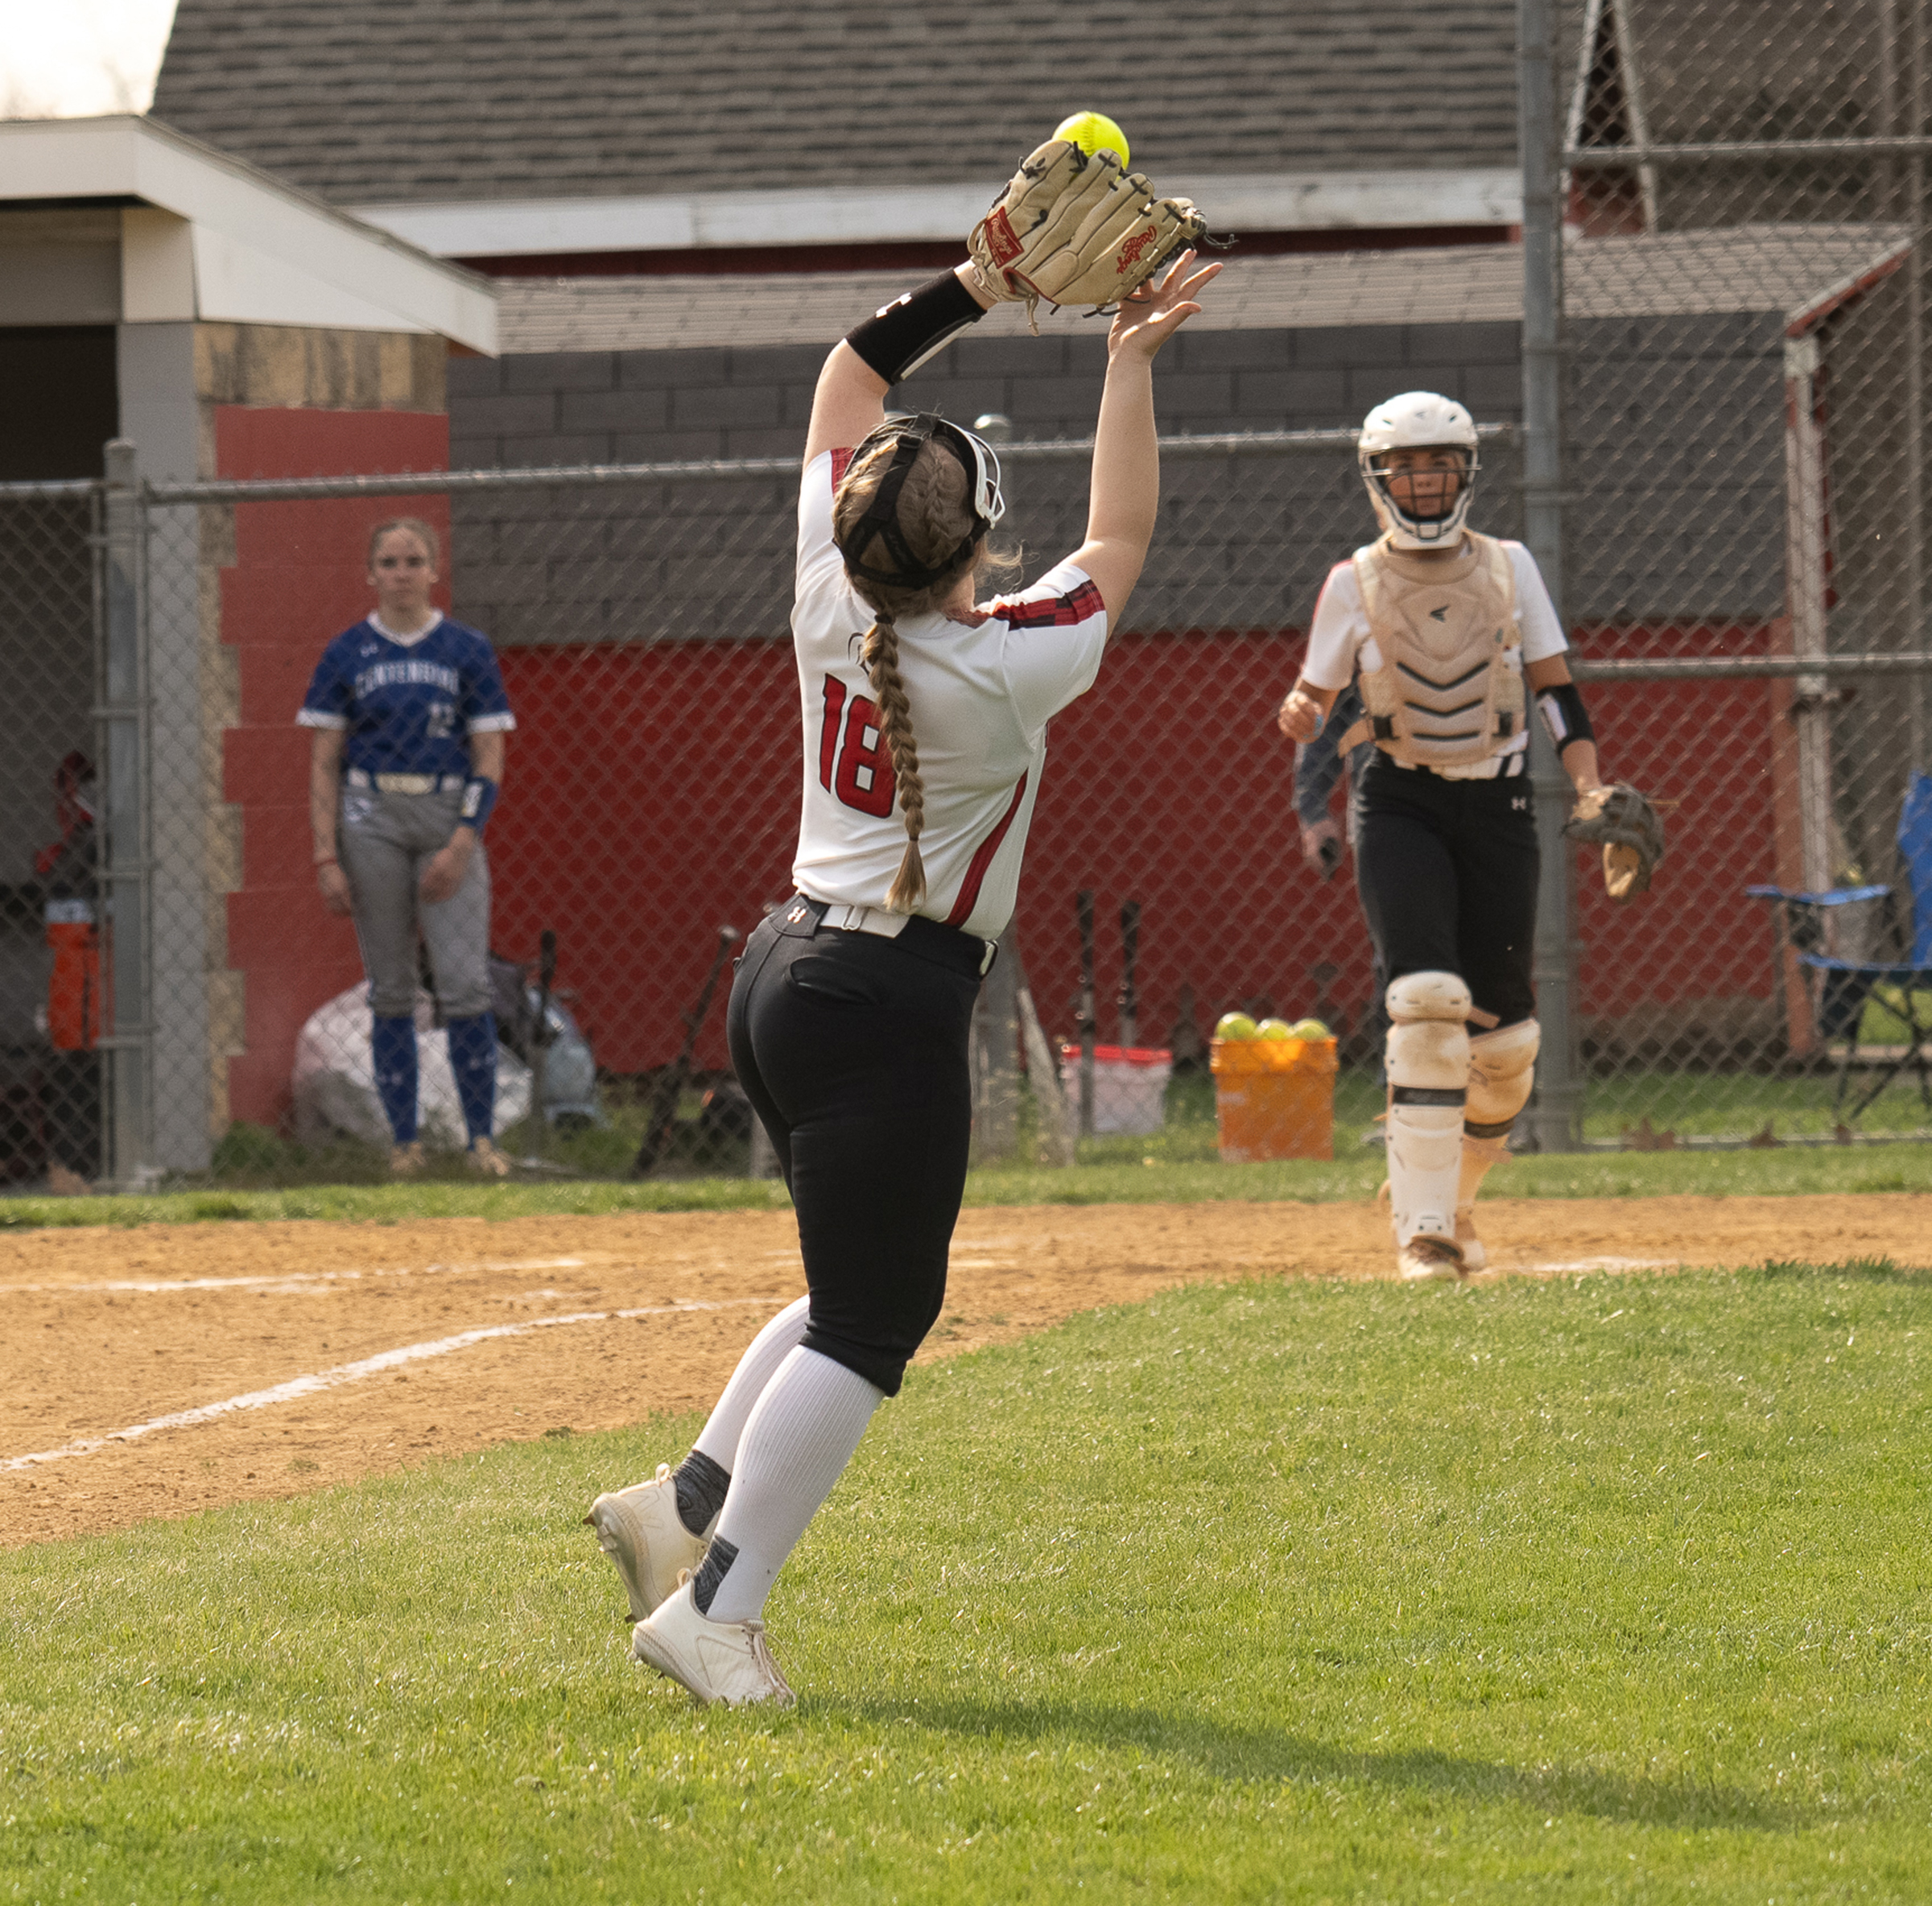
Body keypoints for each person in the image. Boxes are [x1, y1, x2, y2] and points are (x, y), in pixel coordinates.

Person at [589, 237, 1218, 1706]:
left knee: (843, 1286)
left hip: (785, 966)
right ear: (972, 547)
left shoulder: (830, 585)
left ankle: (677, 1508)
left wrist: (981, 277)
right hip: (881, 997)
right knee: (872, 1323)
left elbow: (848, 372)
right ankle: (715, 1611)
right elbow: (1120, 534)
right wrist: (1128, 355)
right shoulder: (1003, 661)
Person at [1276, 393, 1612, 1281]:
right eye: (1406, 468)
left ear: (1467, 473)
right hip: (1399, 801)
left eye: (1441, 466)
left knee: (1504, 1052)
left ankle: (1450, 1199)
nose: (1424, 483)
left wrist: (1588, 786)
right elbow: (1316, 696)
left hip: (1497, 808)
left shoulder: (1509, 567)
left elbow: (1555, 689)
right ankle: (1423, 1236)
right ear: (1377, 479)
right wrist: (1305, 709)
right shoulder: (1352, 581)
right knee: (1425, 1000)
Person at [299, 518, 517, 1177]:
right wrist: (325, 855)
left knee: (464, 984)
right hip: (371, 817)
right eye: (388, 562)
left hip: (445, 809)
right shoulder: (347, 652)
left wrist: (461, 840)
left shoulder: (465, 649)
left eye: (413, 560)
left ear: (434, 570)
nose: (401, 573)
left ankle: (481, 1140)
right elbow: (323, 759)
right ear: (370, 574)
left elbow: (489, 750)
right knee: (390, 987)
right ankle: (404, 1144)